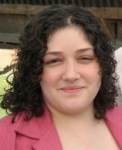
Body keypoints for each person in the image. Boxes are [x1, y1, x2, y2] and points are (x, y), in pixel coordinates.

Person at [0, 5, 122, 150]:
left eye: (84, 58)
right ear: (34, 70)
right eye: (54, 61)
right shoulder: (6, 139)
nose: (71, 75)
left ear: (103, 65)